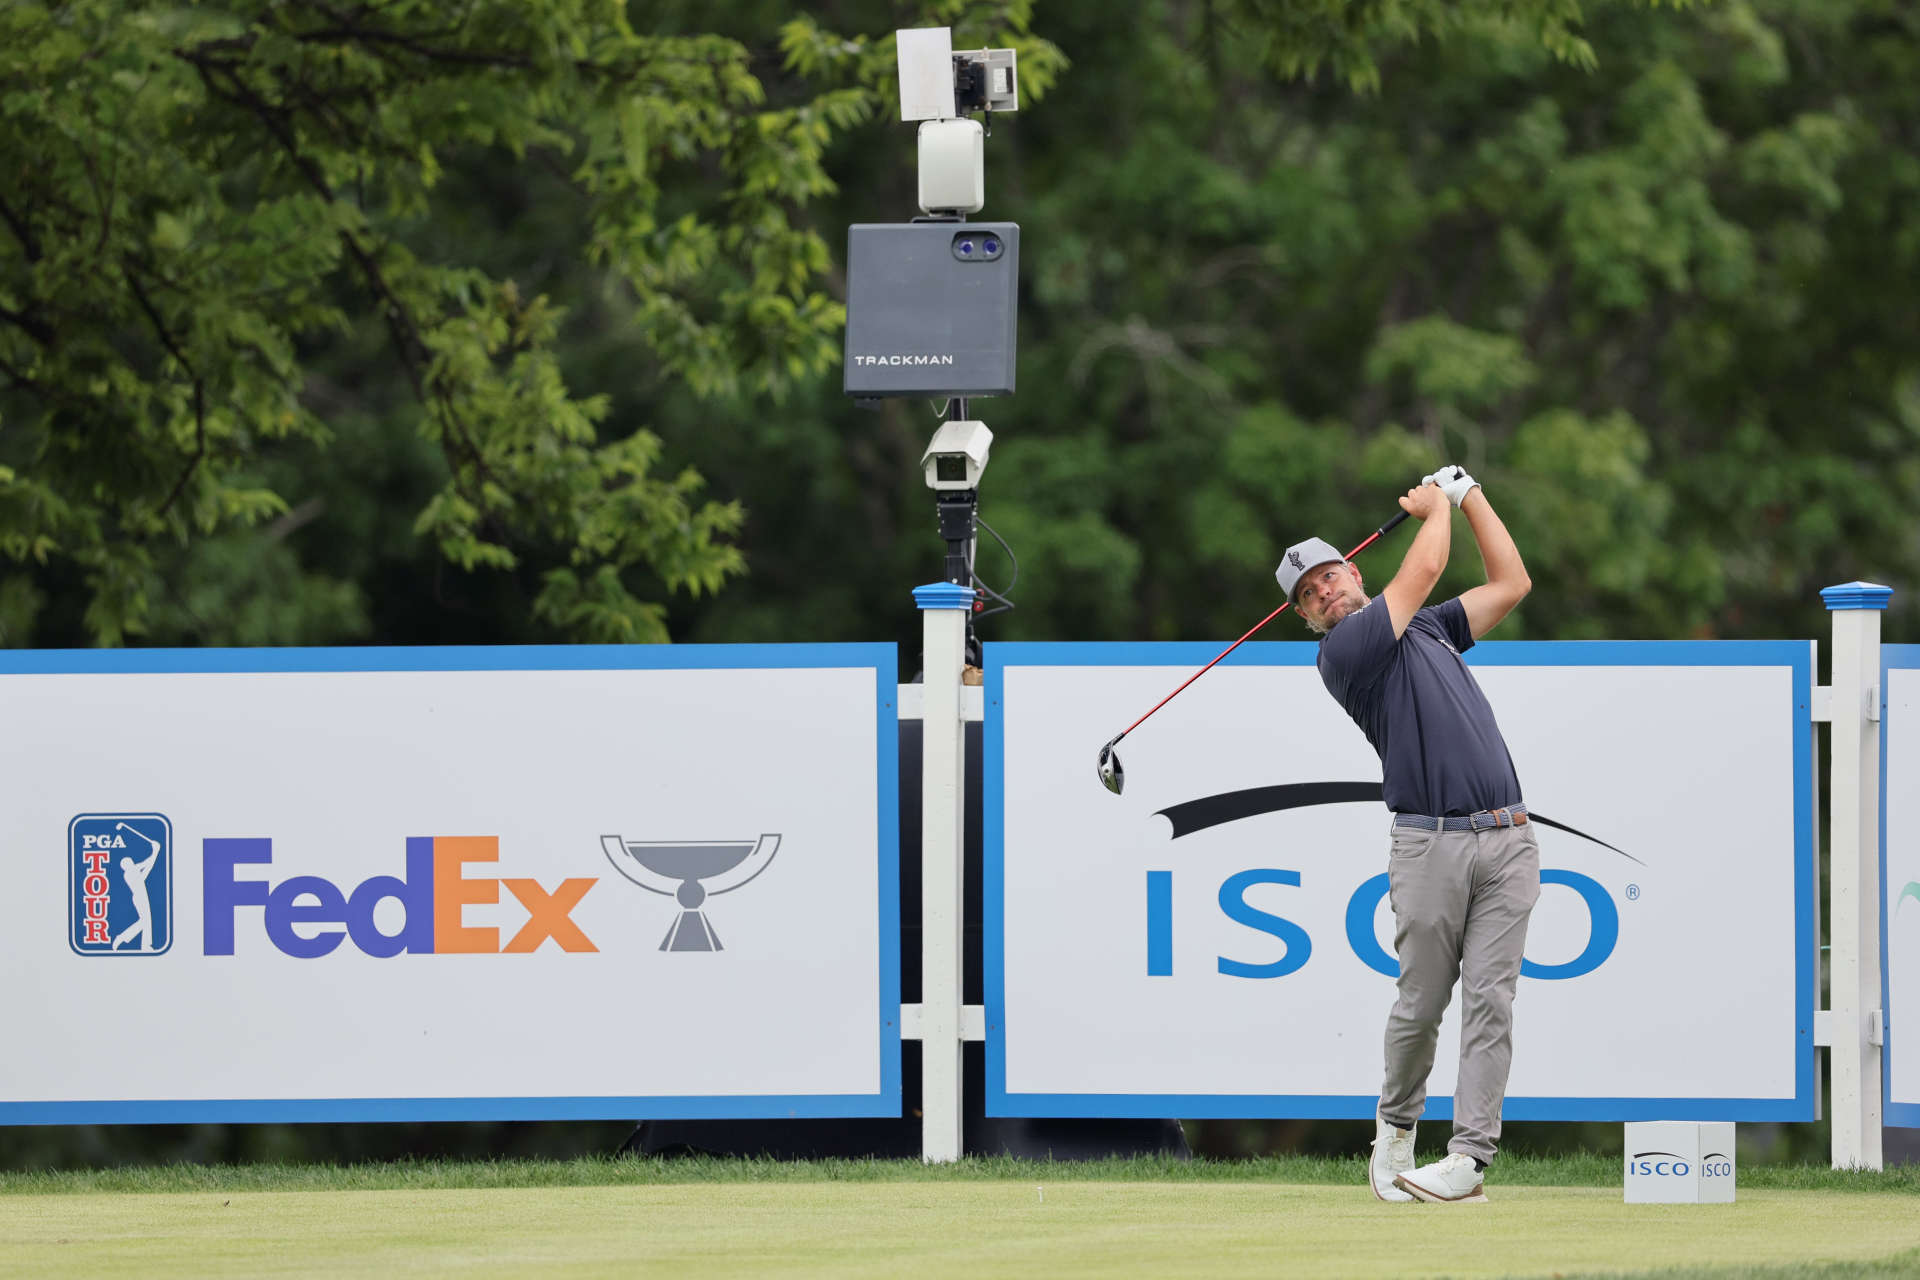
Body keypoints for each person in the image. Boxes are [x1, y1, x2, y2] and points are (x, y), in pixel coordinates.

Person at [1274, 466, 1537, 1205]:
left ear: (1352, 569)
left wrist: (1473, 493)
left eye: (1328, 576)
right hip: (1429, 845)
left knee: (1493, 1000)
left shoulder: (1426, 625)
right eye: (1308, 595)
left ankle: (1468, 1162)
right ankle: (1393, 1136)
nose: (1324, 592)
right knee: (1422, 1003)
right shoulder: (1345, 653)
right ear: (1308, 617)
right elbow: (1425, 564)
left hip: (1509, 837)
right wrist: (1433, 507)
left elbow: (1511, 582)